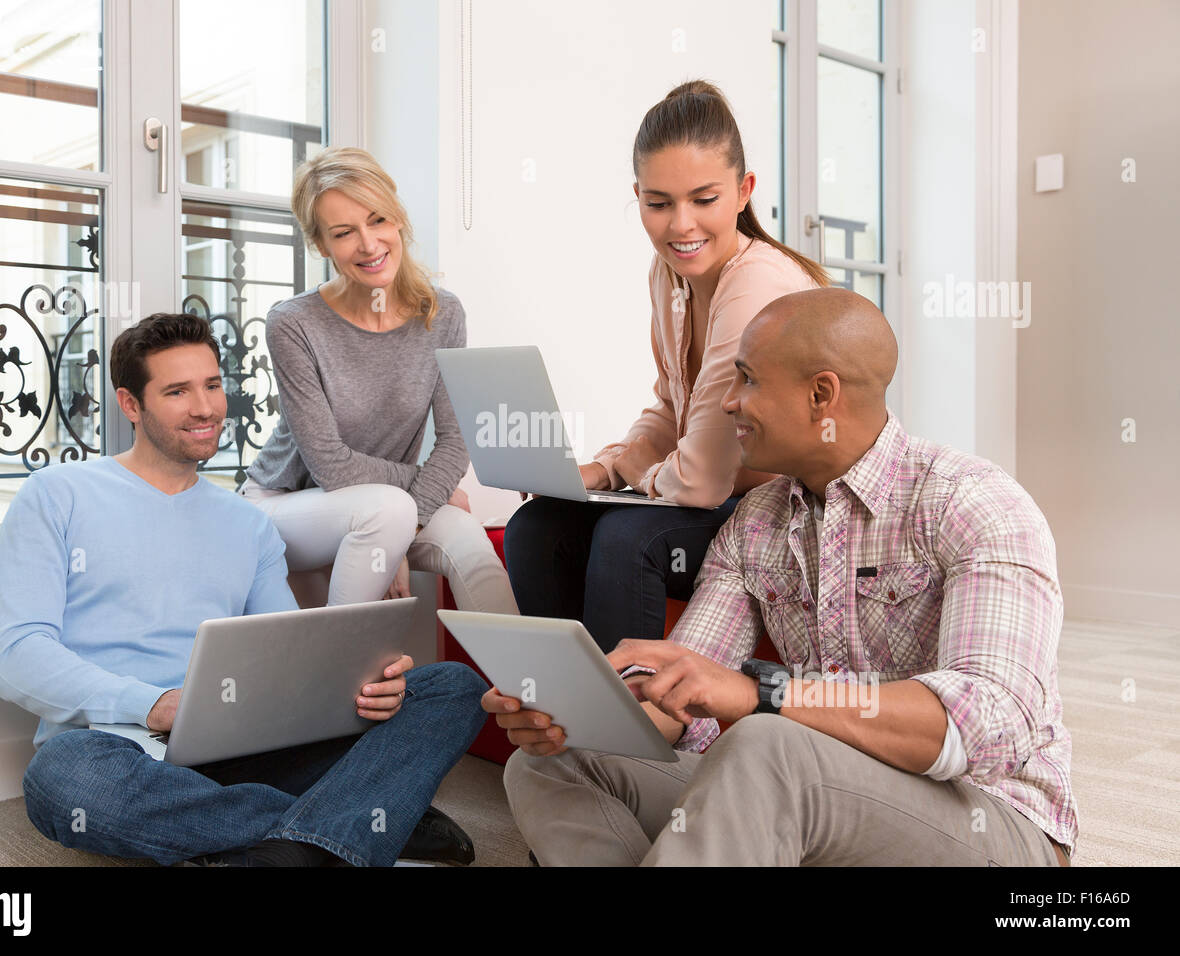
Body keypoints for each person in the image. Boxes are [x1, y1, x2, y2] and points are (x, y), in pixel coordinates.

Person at [489, 287, 1078, 867]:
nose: (728, 402)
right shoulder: (757, 521)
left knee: (766, 740)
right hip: (807, 795)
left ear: (821, 394)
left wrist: (765, 694)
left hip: (985, 819)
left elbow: (988, 726)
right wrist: (575, 717)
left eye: (747, 379)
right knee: (553, 765)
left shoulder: (972, 501)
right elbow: (682, 698)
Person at [0, 312, 488, 867]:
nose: (205, 407)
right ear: (131, 404)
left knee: (452, 688)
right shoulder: (56, 495)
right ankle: (344, 829)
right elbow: (16, 655)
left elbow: (288, 654)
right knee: (63, 780)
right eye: (177, 391)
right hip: (120, 747)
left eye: (212, 385)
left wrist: (364, 688)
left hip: (244, 745)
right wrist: (153, 705)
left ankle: (287, 845)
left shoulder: (247, 523)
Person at [503, 80, 825, 652]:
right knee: (537, 528)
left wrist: (637, 474)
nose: (681, 225)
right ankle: (559, 698)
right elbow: (673, 406)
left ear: (744, 191)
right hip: (724, 500)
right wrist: (604, 470)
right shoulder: (670, 274)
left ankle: (622, 710)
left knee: (629, 536)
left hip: (790, 515)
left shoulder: (756, 284)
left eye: (704, 200)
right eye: (658, 204)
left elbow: (701, 478)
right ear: (638, 197)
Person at [240, 147, 518, 614]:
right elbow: (331, 467)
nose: (369, 245)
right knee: (388, 512)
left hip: (391, 508)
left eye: (378, 220)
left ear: (399, 219)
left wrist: (406, 528)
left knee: (471, 546)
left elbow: (455, 442)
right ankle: (343, 660)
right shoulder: (293, 323)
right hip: (286, 504)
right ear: (321, 245)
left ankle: (520, 662)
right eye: (344, 233)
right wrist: (419, 496)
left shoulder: (442, 313)